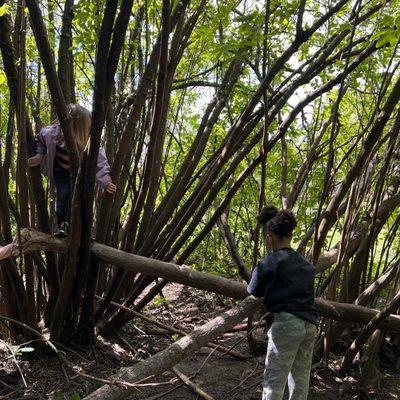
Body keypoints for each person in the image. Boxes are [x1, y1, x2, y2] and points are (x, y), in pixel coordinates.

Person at [248, 205, 318, 400]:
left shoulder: (271, 260)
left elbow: (254, 290)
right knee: (300, 380)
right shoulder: (305, 264)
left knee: (274, 382)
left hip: (287, 325)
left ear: (269, 236)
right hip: (310, 325)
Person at [27, 104, 116, 237]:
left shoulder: (88, 141)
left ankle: (82, 232)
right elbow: (40, 139)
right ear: (77, 125)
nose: (89, 128)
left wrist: (106, 182)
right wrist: (40, 155)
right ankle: (62, 226)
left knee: (81, 200)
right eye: (87, 125)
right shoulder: (52, 134)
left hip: (79, 174)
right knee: (64, 194)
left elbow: (100, 162)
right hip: (60, 171)